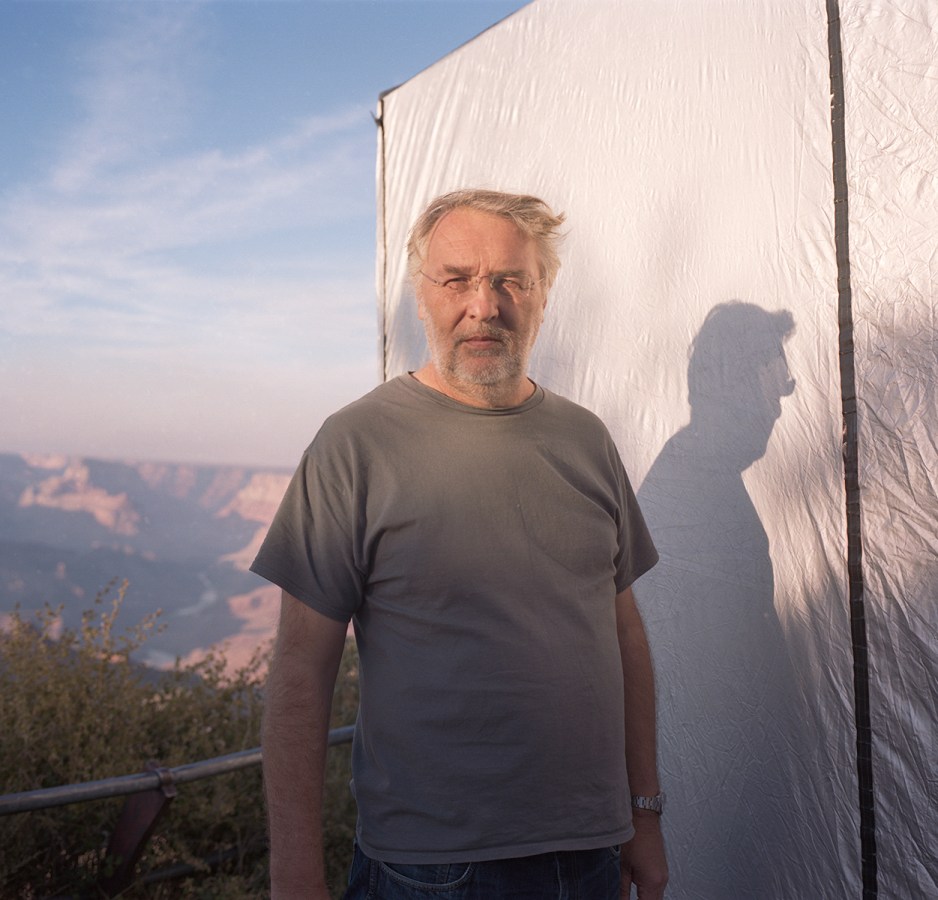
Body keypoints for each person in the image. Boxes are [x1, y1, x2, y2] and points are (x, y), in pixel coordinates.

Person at [252, 189, 668, 899]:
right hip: (430, 869)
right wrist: (294, 874)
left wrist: (644, 814)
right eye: (457, 280)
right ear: (421, 296)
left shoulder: (586, 440)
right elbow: (299, 672)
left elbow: (623, 632)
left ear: (543, 296)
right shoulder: (355, 445)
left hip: (592, 853)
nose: (485, 305)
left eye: (511, 280)